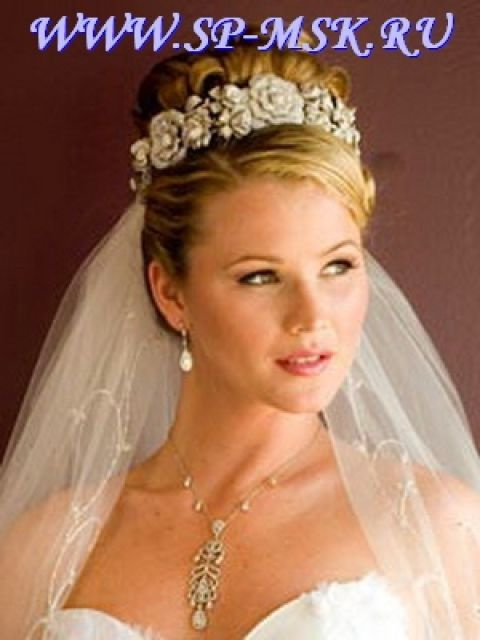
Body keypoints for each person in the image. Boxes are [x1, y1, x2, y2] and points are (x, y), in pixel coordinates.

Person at [1, 27, 480, 640]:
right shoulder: (43, 548)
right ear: (171, 293)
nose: (312, 316)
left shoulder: (439, 527)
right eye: (260, 276)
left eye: (338, 266)